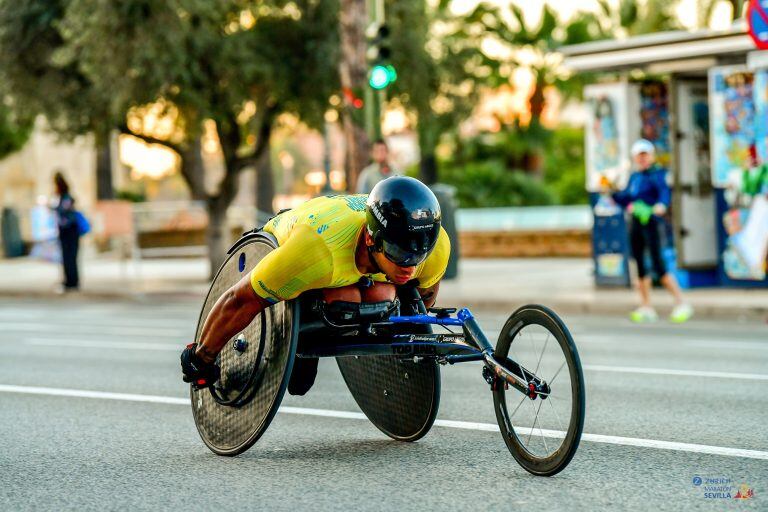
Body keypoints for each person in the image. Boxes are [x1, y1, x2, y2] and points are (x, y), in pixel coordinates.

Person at [181, 176, 450, 391]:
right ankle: (300, 339)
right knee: (346, 302)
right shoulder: (312, 254)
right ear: (371, 240)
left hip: (354, 263)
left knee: (382, 295)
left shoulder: (432, 248)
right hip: (307, 242)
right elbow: (239, 300)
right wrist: (201, 357)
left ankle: (330, 324)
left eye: (419, 255)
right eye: (400, 254)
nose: (411, 266)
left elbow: (422, 301)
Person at [612, 139, 693, 323]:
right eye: (639, 155)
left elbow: (664, 194)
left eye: (645, 155)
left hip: (653, 224)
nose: (642, 159)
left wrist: (660, 206)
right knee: (640, 265)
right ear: (634, 157)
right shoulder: (634, 177)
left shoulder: (657, 175)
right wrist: (612, 191)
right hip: (636, 224)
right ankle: (646, 306)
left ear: (651, 156)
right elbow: (625, 198)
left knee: (659, 264)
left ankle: (681, 302)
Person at [53, 171, 80, 291]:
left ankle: (72, 281)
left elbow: (63, 211)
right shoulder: (63, 198)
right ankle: (70, 280)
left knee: (70, 256)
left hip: (69, 231)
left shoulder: (66, 198)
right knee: (67, 257)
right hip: (66, 230)